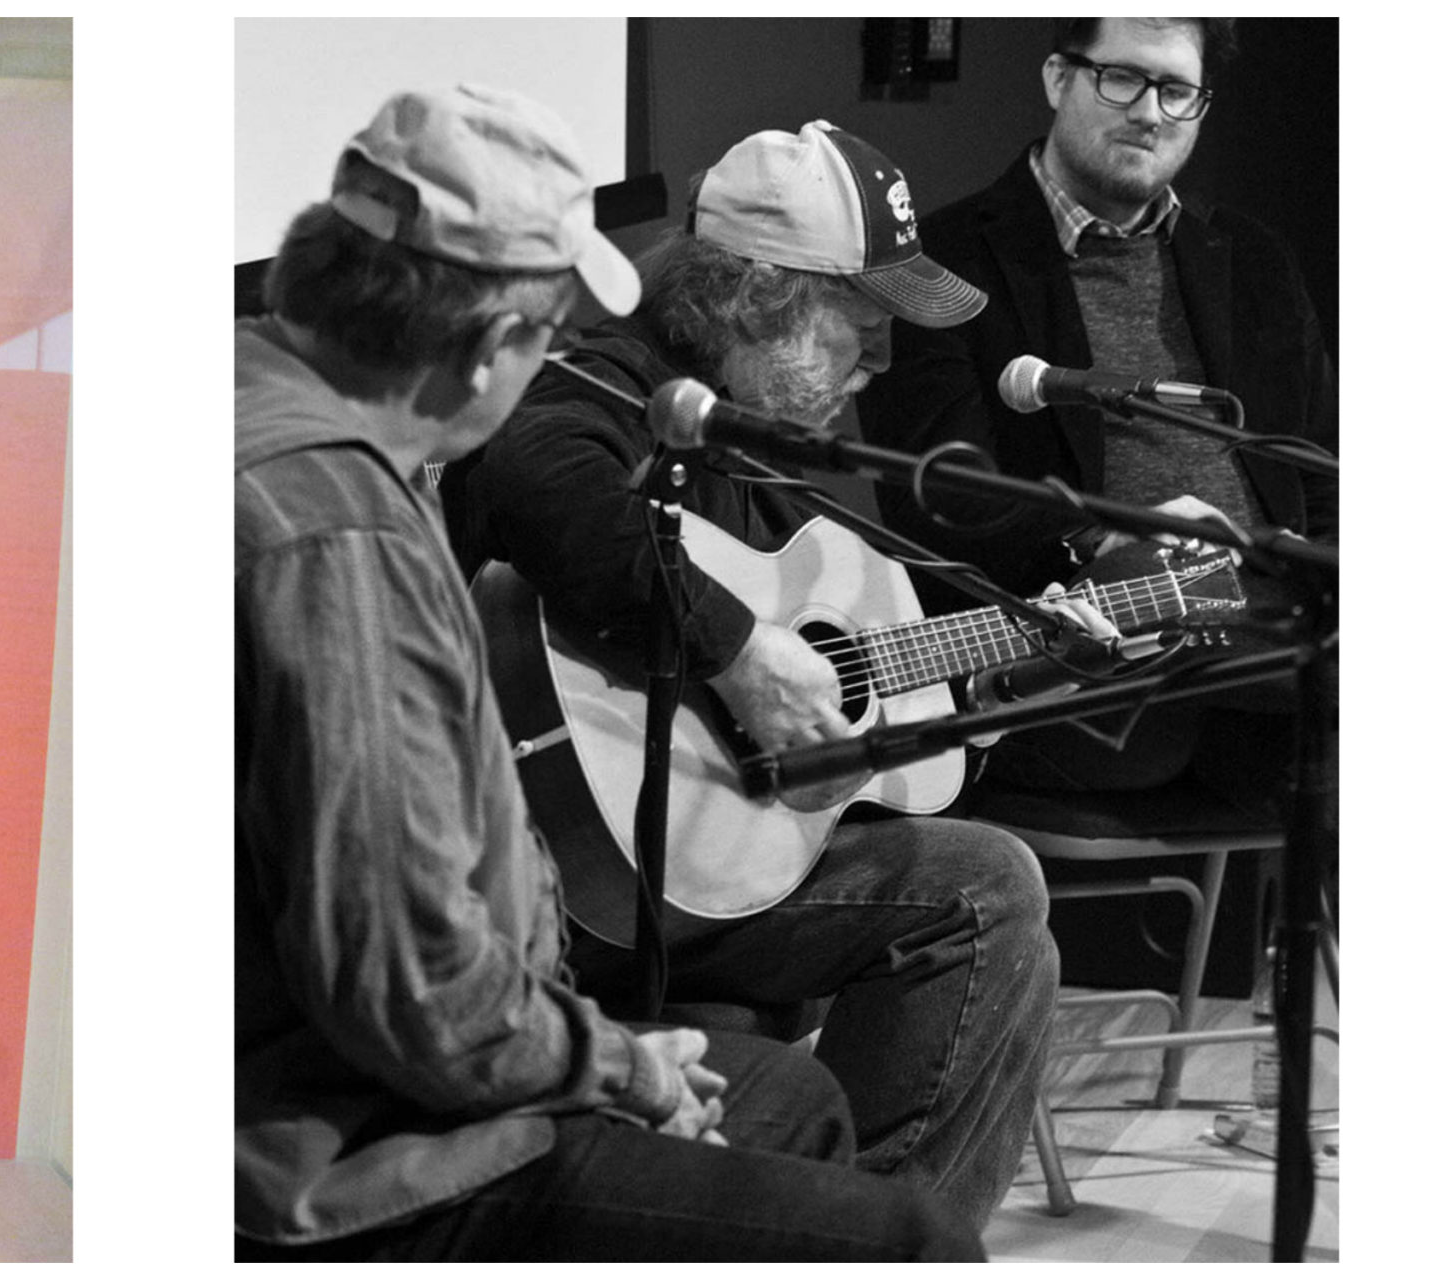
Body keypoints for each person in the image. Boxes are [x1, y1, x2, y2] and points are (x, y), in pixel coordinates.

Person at [237, 86, 984, 1262]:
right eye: (545, 337)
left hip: (404, 1066)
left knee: (790, 1099)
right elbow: (411, 985)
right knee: (905, 1239)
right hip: (364, 1155)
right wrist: (620, 1067)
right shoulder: (341, 541)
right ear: (492, 346)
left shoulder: (260, 406)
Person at [439, 120, 1060, 1232]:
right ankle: (872, 1239)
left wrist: (998, 690)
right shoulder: (596, 386)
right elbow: (540, 485)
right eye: (858, 330)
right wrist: (735, 648)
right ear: (754, 298)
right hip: (556, 878)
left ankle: (870, 1235)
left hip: (705, 866)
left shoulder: (765, 436)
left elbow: (861, 697)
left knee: (991, 896)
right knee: (985, 889)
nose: (879, 366)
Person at [854, 17, 1335, 796]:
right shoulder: (947, 263)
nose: (1149, 112)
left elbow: (1323, 471)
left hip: (1274, 635)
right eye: (1122, 78)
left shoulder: (1255, 260)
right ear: (1057, 78)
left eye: (1176, 90)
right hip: (1090, 653)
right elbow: (936, 495)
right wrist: (1105, 534)